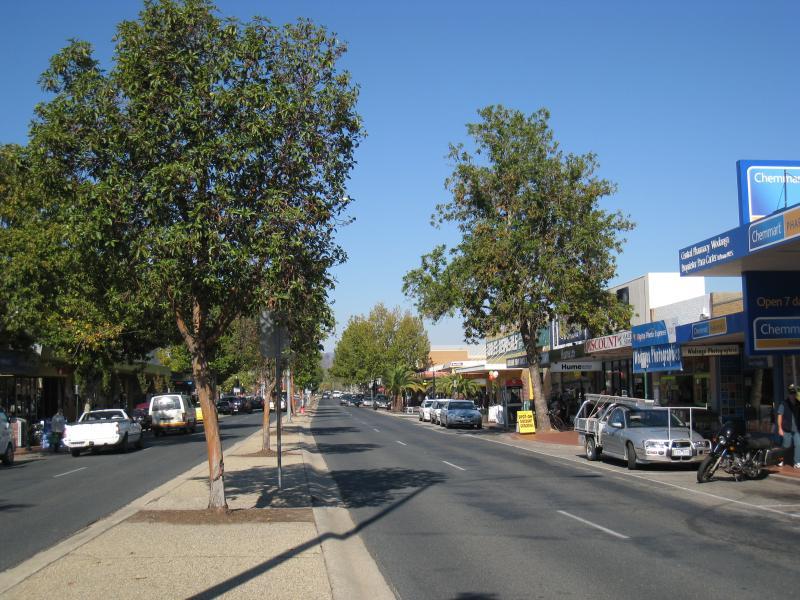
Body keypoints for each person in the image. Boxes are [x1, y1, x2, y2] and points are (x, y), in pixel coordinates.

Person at [777, 384, 800, 469]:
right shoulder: (784, 403)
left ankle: (797, 462)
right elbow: (780, 416)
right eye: (791, 393)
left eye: (794, 393)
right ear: (788, 394)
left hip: (797, 429)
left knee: (798, 444)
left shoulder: (798, 403)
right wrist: (780, 428)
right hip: (787, 429)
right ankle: (780, 459)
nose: (792, 395)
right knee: (786, 446)